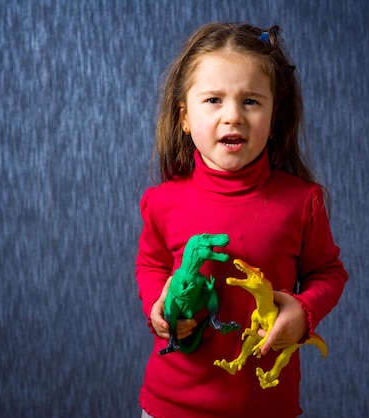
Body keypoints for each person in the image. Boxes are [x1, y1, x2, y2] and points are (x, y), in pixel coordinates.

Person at [135, 22, 348, 418]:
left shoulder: (302, 201)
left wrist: (303, 312)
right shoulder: (161, 201)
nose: (233, 116)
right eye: (214, 100)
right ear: (184, 117)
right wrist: (157, 306)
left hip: (267, 407)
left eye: (251, 101)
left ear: (273, 116)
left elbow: (328, 272)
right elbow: (150, 265)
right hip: (170, 407)